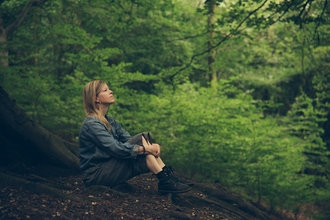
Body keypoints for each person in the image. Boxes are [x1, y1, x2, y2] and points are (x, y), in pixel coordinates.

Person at [78, 80, 193, 194]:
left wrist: (150, 146)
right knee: (141, 144)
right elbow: (115, 149)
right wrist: (146, 149)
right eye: (105, 90)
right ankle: (165, 179)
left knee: (141, 141)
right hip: (95, 175)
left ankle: (168, 178)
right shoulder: (91, 124)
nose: (111, 91)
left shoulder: (109, 120)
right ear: (96, 98)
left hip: (107, 169)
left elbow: (128, 139)